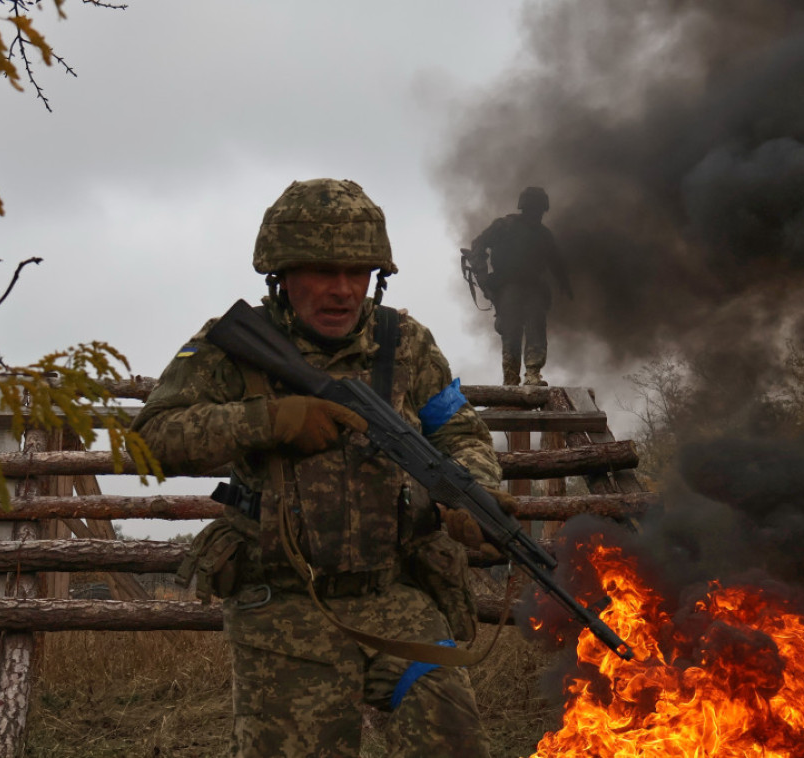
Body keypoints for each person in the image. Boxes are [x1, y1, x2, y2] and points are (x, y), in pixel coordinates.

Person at [130, 179, 516, 758]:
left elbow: (458, 429)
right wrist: (269, 420)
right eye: (320, 271)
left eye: (357, 273)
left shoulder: (405, 343)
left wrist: (472, 494)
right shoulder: (232, 346)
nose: (341, 290)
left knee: (455, 740)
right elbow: (149, 440)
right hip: (283, 609)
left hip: (395, 594)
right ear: (281, 274)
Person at [468, 186, 573, 386]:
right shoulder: (504, 226)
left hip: (534, 289)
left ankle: (532, 374)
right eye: (535, 209)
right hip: (508, 287)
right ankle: (511, 378)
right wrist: (482, 274)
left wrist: (564, 283)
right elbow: (478, 245)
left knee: (536, 331)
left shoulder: (543, 235)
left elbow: (556, 261)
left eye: (540, 210)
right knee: (511, 332)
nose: (537, 214)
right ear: (526, 207)